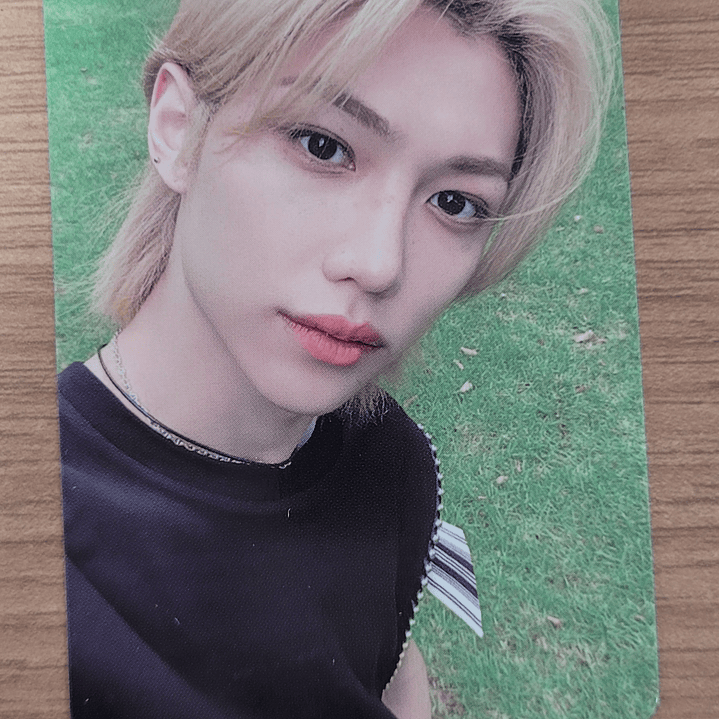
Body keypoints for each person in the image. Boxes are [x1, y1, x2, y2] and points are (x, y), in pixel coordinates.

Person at [57, 0, 612, 716]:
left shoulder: (393, 461)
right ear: (178, 129)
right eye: (322, 146)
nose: (380, 264)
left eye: (454, 202)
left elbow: (387, 669)